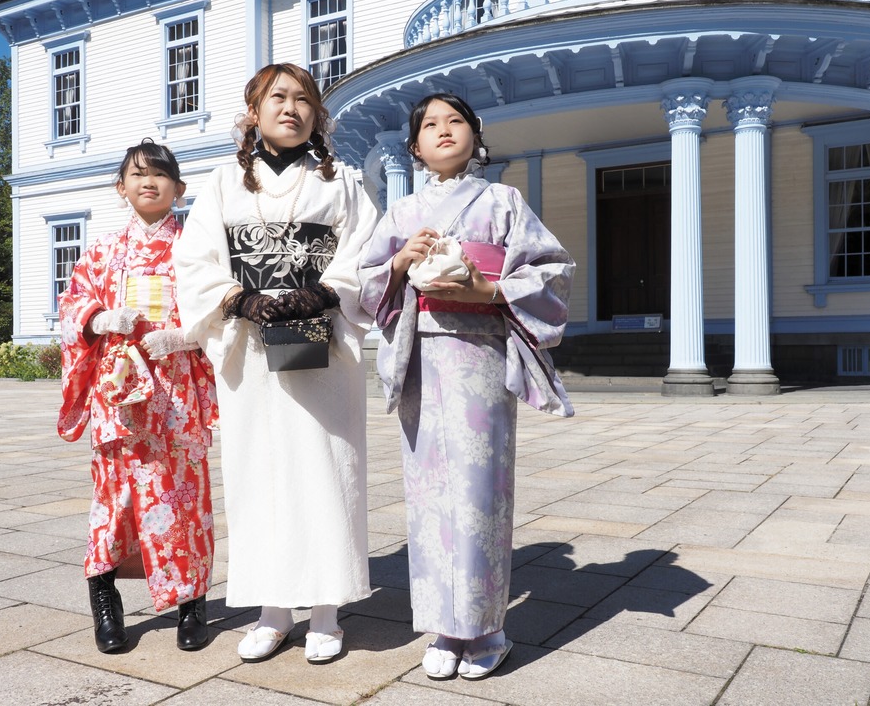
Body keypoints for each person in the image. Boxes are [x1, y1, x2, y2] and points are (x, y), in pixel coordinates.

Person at [357, 93, 575, 680]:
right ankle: (444, 626)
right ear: (414, 146)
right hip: (423, 354)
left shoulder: (503, 199)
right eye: (430, 125)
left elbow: (551, 268)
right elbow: (366, 281)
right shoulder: (401, 211)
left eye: (455, 122)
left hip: (479, 351)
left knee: (480, 489)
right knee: (428, 491)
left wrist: (489, 292)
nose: (443, 130)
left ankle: (488, 628)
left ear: (476, 136)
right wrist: (401, 261)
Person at [173, 63, 379, 664]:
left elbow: (363, 250)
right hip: (251, 344)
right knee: (257, 473)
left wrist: (326, 290)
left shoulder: (340, 181)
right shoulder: (222, 182)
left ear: (317, 114)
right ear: (253, 112)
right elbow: (196, 259)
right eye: (277, 98)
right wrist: (237, 298)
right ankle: (270, 608)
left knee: (325, 464)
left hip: (319, 338)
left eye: (303, 100)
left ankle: (326, 608)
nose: (291, 109)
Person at [57, 138, 219, 654]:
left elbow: (220, 307)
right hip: (118, 386)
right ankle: (105, 597)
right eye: (137, 174)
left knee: (182, 493)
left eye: (160, 174)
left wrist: (187, 335)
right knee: (114, 493)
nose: (148, 181)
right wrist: (98, 319)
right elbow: (73, 303)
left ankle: (191, 604)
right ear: (120, 186)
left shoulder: (197, 246)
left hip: (175, 386)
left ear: (180, 188)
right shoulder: (103, 249)